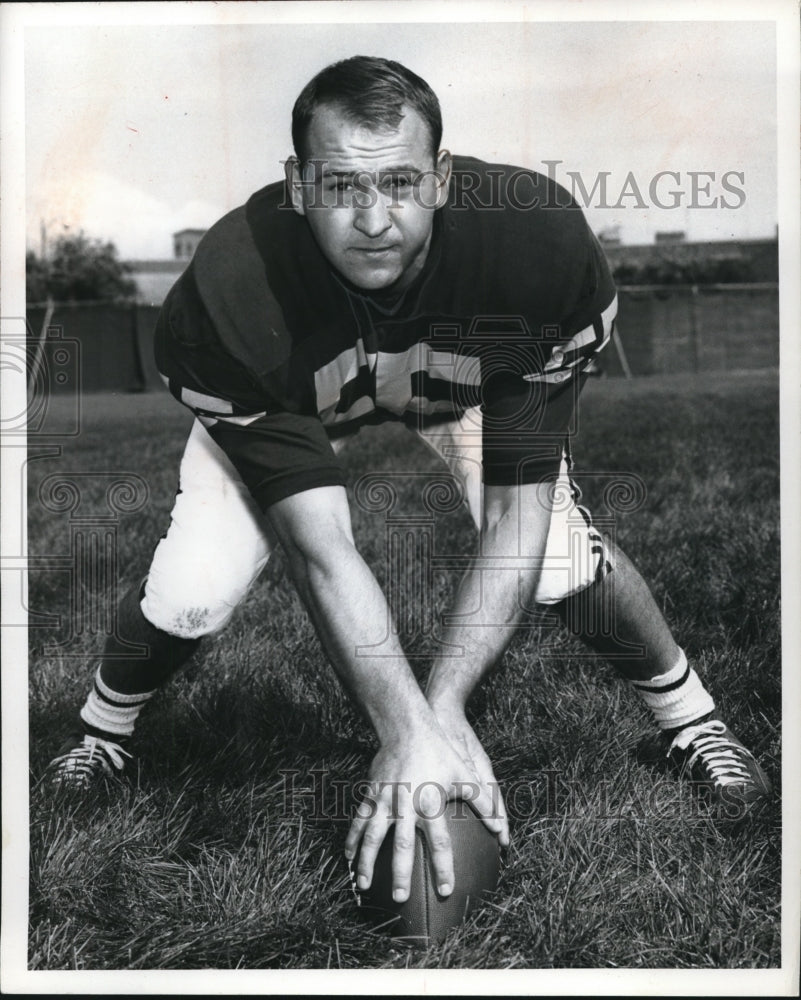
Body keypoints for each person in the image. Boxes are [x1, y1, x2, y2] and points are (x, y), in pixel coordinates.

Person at [46, 56, 771, 905]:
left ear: (442, 178)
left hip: (462, 386)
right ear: (296, 184)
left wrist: (445, 710)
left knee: (559, 559)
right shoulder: (236, 291)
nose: (371, 217)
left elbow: (514, 516)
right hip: (299, 398)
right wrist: (404, 730)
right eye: (340, 185)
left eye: (398, 181)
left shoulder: (534, 250)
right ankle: (104, 729)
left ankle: (691, 720)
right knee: (195, 587)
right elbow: (321, 553)